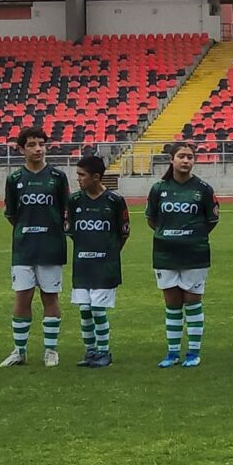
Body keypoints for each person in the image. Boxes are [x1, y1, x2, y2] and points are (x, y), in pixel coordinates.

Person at [2, 126, 72, 367]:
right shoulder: (14, 179)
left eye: (41, 144)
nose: (38, 149)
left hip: (51, 245)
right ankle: (19, 351)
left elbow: (66, 210)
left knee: (50, 297)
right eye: (31, 145)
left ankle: (50, 350)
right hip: (23, 247)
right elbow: (12, 214)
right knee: (22, 297)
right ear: (21, 149)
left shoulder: (57, 177)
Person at [147, 141, 219, 367]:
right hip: (165, 253)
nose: (186, 160)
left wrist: (192, 236)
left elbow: (211, 220)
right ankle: (172, 352)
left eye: (190, 157)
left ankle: (193, 352)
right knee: (172, 302)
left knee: (193, 302)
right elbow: (152, 219)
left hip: (194, 253)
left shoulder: (203, 189)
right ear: (172, 159)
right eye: (181, 156)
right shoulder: (159, 188)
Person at [67, 154, 131, 365]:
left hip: (105, 266)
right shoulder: (74, 200)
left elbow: (123, 233)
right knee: (84, 310)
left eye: (81, 175)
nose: (78, 179)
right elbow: (72, 231)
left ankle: (104, 351)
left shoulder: (114, 201)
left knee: (97, 309)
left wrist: (109, 253)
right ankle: (90, 351)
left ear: (96, 177)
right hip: (82, 264)